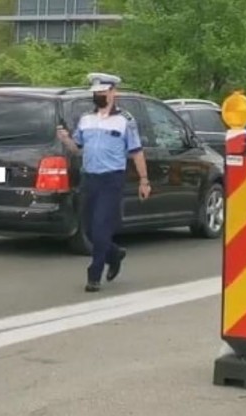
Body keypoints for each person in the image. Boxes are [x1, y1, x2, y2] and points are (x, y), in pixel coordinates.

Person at [57, 72, 151, 292]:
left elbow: (136, 152)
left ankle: (94, 275)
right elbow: (77, 148)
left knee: (101, 229)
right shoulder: (86, 119)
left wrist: (144, 181)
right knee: (89, 230)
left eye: (102, 92)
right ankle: (114, 254)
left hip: (111, 180)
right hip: (90, 179)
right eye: (95, 93)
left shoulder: (124, 121)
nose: (98, 95)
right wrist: (66, 139)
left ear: (112, 93)